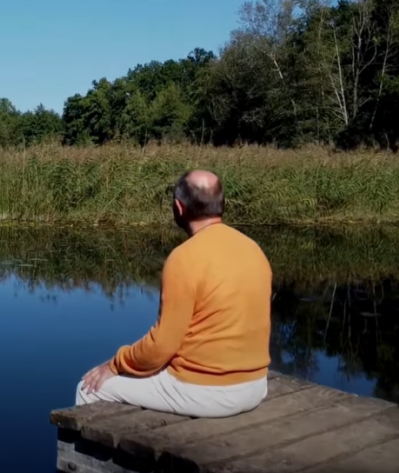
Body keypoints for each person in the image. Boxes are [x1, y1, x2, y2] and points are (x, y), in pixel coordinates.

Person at [76, 170, 272, 418]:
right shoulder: (253, 249)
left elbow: (160, 347)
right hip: (255, 386)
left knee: (89, 389)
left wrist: (115, 364)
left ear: (179, 208)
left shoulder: (184, 258)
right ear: (222, 204)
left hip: (207, 392)